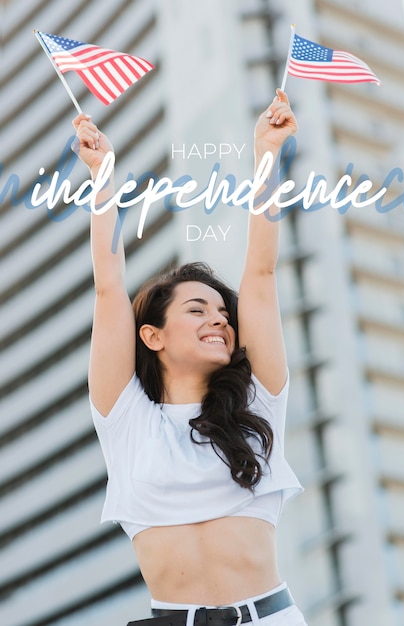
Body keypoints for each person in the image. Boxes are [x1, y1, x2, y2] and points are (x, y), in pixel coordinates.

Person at [72, 88, 307, 626]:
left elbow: (263, 276)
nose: (219, 320)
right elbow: (109, 288)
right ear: (152, 336)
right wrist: (102, 175)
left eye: (223, 313)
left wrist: (267, 152)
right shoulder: (126, 418)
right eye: (197, 310)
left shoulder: (258, 405)